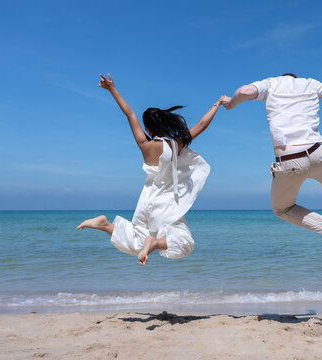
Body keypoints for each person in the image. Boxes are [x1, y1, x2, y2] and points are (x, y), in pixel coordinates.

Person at [77, 74, 222, 266]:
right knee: (185, 244)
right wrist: (217, 104)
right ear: (163, 124)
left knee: (138, 243)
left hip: (146, 200)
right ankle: (153, 243)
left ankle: (106, 225)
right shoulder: (175, 145)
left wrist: (112, 89)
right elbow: (202, 125)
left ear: (147, 128)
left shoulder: (144, 144)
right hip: (167, 202)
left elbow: (129, 114)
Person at [221, 67, 322, 254]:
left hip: (289, 160)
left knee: (282, 209)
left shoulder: (271, 83)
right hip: (317, 152)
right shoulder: (310, 84)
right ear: (295, 78)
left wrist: (231, 103)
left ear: (282, 78)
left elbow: (244, 92)